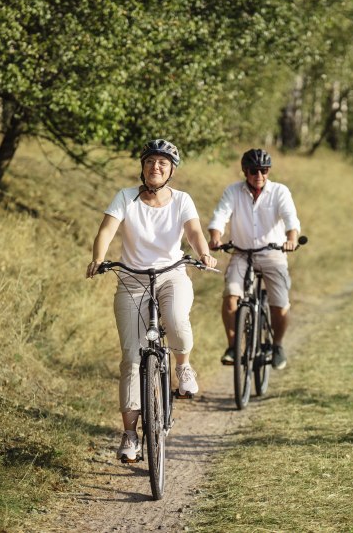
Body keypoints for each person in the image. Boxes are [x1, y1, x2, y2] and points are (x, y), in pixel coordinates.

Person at [86, 139, 217, 464]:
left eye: (162, 163)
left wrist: (203, 254)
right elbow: (106, 230)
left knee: (176, 319)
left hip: (171, 274)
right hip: (132, 279)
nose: (155, 167)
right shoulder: (125, 197)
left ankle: (183, 368)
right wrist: (98, 258)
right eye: (150, 162)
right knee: (131, 359)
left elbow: (194, 232)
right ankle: (130, 435)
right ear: (142, 167)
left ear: (171, 169)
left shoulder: (182, 200)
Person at [207, 148, 301, 370]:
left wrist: (291, 239)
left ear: (268, 171)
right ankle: (233, 346)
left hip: (273, 253)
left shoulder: (279, 191)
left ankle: (277, 345)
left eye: (264, 170)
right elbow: (220, 215)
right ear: (245, 171)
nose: (259, 175)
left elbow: (290, 218)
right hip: (241, 253)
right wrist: (215, 238)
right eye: (253, 170)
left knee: (279, 304)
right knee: (231, 296)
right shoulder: (233, 191)